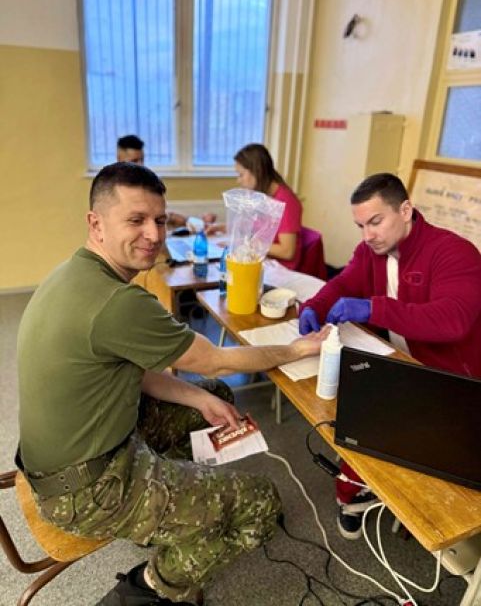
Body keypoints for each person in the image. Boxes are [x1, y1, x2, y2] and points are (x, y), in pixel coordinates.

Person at [17, 162, 326, 606]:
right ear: (96, 223)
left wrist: (199, 397)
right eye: (136, 220)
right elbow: (217, 360)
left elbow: (135, 369)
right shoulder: (118, 302)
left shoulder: (72, 274)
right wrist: (296, 349)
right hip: (87, 490)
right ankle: (145, 588)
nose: (153, 234)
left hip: (70, 457)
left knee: (213, 398)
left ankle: (176, 504)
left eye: (159, 220)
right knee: (261, 503)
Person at [299, 172, 481, 540]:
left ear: (406, 210)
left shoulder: (454, 252)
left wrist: (374, 308)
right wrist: (314, 305)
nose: (367, 235)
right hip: (400, 367)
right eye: (361, 226)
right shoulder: (372, 251)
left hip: (453, 383)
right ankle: (360, 493)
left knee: (382, 439)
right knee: (351, 427)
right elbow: (345, 282)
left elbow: (454, 320)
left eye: (376, 221)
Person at [206, 143, 303, 270]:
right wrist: (222, 227)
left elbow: (287, 251)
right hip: (261, 260)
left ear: (257, 171)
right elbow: (254, 228)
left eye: (241, 174)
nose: (238, 180)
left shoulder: (286, 201)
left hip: (279, 269)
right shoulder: (263, 195)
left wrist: (246, 243)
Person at [116, 134, 216, 230]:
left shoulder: (145, 183)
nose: (140, 165)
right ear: (119, 159)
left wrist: (199, 223)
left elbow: (164, 216)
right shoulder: (113, 188)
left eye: (142, 159)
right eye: (134, 161)